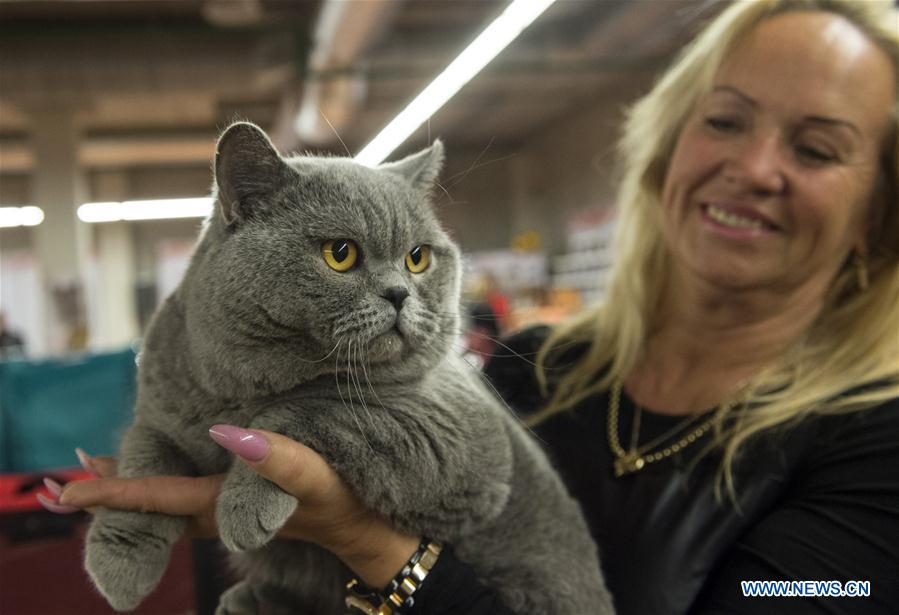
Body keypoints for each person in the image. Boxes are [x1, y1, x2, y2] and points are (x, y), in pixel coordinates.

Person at [43, 0, 899, 613]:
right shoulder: (550, 368)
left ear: (879, 213)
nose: (752, 167)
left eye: (816, 147)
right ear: (665, 151)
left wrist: (375, 550)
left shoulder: (875, 452)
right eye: (724, 122)